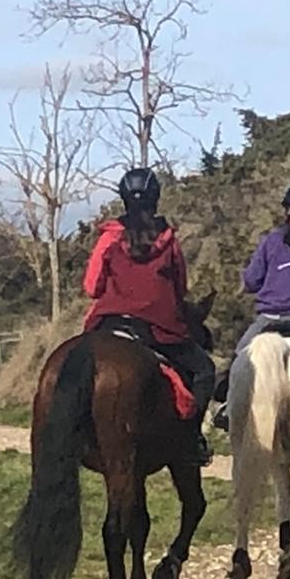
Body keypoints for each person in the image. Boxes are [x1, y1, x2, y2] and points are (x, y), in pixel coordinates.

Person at [82, 167, 215, 466]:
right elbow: (180, 288)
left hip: (109, 322)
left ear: (123, 198)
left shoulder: (109, 237)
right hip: (157, 327)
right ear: (156, 198)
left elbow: (92, 287)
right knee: (204, 369)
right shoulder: (168, 239)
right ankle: (191, 440)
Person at [211, 181, 290, 430]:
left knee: (239, 359)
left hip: (268, 319)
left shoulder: (272, 241)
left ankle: (228, 407)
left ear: (288, 210)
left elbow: (252, 281)